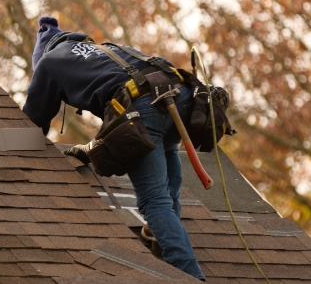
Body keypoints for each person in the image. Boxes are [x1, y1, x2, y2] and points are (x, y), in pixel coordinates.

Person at [22, 16, 206, 281]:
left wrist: (12, 142)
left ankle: (191, 275)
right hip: (183, 99)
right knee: (166, 149)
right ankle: (160, 232)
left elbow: (33, 123)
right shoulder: (111, 49)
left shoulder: (49, 63)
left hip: (144, 109)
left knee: (153, 200)